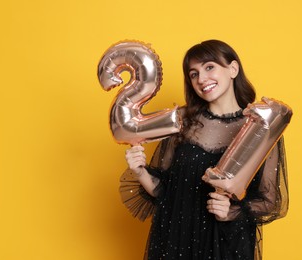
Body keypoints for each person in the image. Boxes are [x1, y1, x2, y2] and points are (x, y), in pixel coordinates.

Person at [120, 39, 289, 260]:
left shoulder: (261, 126)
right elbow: (165, 191)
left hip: (226, 244)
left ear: (233, 69)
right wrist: (141, 171)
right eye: (193, 74)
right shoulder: (182, 122)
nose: (201, 79)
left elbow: (269, 201)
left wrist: (232, 211)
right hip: (175, 239)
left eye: (209, 67)